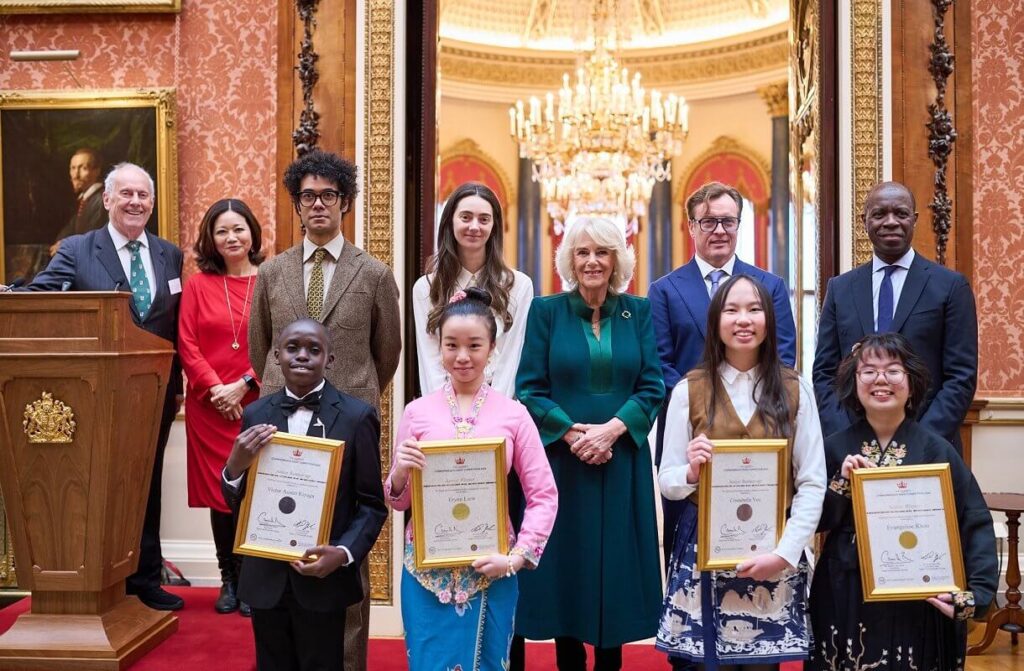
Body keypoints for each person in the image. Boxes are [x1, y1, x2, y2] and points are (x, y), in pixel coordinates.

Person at [247, 149, 401, 670]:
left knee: (345, 548)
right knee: (280, 541)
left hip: (348, 424)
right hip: (280, 427)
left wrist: (351, 401)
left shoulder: (375, 273)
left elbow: (388, 354)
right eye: (308, 196)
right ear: (297, 204)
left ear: (346, 203)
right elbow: (260, 347)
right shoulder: (271, 273)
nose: (318, 205)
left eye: (328, 196)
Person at [15, 162, 185, 611]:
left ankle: (145, 578)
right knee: (97, 481)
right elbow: (44, 296)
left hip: (154, 391)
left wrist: (180, 383)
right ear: (107, 200)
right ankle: (101, 577)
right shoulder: (77, 248)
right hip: (93, 394)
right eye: (125, 193)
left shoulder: (170, 254)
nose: (135, 202)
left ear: (152, 203)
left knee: (145, 484)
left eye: (142, 195)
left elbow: (175, 327)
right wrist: (10, 294)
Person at [648, 182, 797, 644]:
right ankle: (697, 643)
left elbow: (785, 359)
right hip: (693, 444)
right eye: (707, 221)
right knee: (689, 562)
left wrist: (747, 412)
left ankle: (758, 641)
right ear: (690, 227)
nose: (718, 230)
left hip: (761, 450)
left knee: (758, 555)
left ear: (739, 225)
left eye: (727, 221)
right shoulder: (665, 290)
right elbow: (660, 364)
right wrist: (703, 407)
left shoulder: (768, 286)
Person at [514, 216, 665, 671]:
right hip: (563, 462)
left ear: (617, 258)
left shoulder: (636, 312)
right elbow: (529, 388)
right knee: (568, 567)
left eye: (602, 252)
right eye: (583, 252)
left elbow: (652, 386)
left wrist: (612, 429)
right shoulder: (546, 311)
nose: (592, 261)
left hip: (622, 463)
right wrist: (573, 431)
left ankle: (610, 662)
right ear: (569, 259)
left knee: (615, 566)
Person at [656, 274, 826, 669]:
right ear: (716, 321)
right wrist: (692, 474)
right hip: (704, 552)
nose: (743, 319)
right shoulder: (689, 389)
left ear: (769, 319)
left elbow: (813, 480)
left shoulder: (795, 389)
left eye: (754, 309)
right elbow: (667, 479)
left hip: (773, 549)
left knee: (762, 665)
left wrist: (784, 554)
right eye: (731, 310)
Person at [386, 287, 558, 670]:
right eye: (452, 345)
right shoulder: (416, 412)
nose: (462, 356)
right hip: (426, 571)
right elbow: (399, 501)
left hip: (492, 568)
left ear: (492, 347)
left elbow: (544, 494)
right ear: (439, 347)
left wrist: (515, 559)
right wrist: (399, 472)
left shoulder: (513, 414)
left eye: (474, 345)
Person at [808, 332, 997, 670]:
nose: (881, 379)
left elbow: (974, 521)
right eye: (868, 370)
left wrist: (976, 596)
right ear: (854, 381)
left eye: (893, 370)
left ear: (911, 382)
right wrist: (841, 484)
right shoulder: (834, 448)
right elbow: (812, 520)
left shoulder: (937, 450)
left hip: (921, 594)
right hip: (846, 591)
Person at [222, 318, 387, 671]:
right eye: (293, 348)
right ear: (277, 354)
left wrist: (342, 554)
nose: (302, 356)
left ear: (330, 359)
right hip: (265, 577)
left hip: (323, 579)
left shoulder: (358, 417)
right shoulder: (255, 414)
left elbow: (372, 506)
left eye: (314, 350)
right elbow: (238, 504)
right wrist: (234, 468)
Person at [813, 180, 978, 452]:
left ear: (914, 219)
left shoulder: (950, 286)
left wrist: (919, 441)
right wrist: (846, 438)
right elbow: (824, 373)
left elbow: (961, 376)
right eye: (879, 214)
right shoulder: (840, 289)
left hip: (929, 447)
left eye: (900, 213)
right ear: (863, 220)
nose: (890, 222)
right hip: (854, 452)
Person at [178, 198, 264, 615]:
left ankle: (250, 579)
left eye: (238, 229)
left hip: (257, 403)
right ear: (211, 239)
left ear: (252, 233)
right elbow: (187, 344)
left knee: (252, 490)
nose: (231, 237)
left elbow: (280, 344)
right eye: (221, 231)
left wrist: (244, 385)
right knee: (220, 494)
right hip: (210, 409)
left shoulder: (270, 280)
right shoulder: (196, 285)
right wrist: (217, 390)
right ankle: (228, 579)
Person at [412, 182, 533, 397]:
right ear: (450, 221)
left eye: (484, 219)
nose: (474, 226)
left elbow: (511, 356)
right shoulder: (426, 288)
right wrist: (445, 410)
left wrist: (492, 410)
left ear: (494, 226)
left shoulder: (519, 285)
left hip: (498, 410)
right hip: (442, 411)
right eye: (466, 217)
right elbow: (429, 361)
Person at [52, 147, 107, 254]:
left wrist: (66, 244)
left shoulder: (102, 200)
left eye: (83, 168)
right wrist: (61, 241)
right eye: (72, 168)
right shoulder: (85, 200)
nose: (75, 175)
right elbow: (70, 229)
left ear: (96, 171)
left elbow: (93, 237)